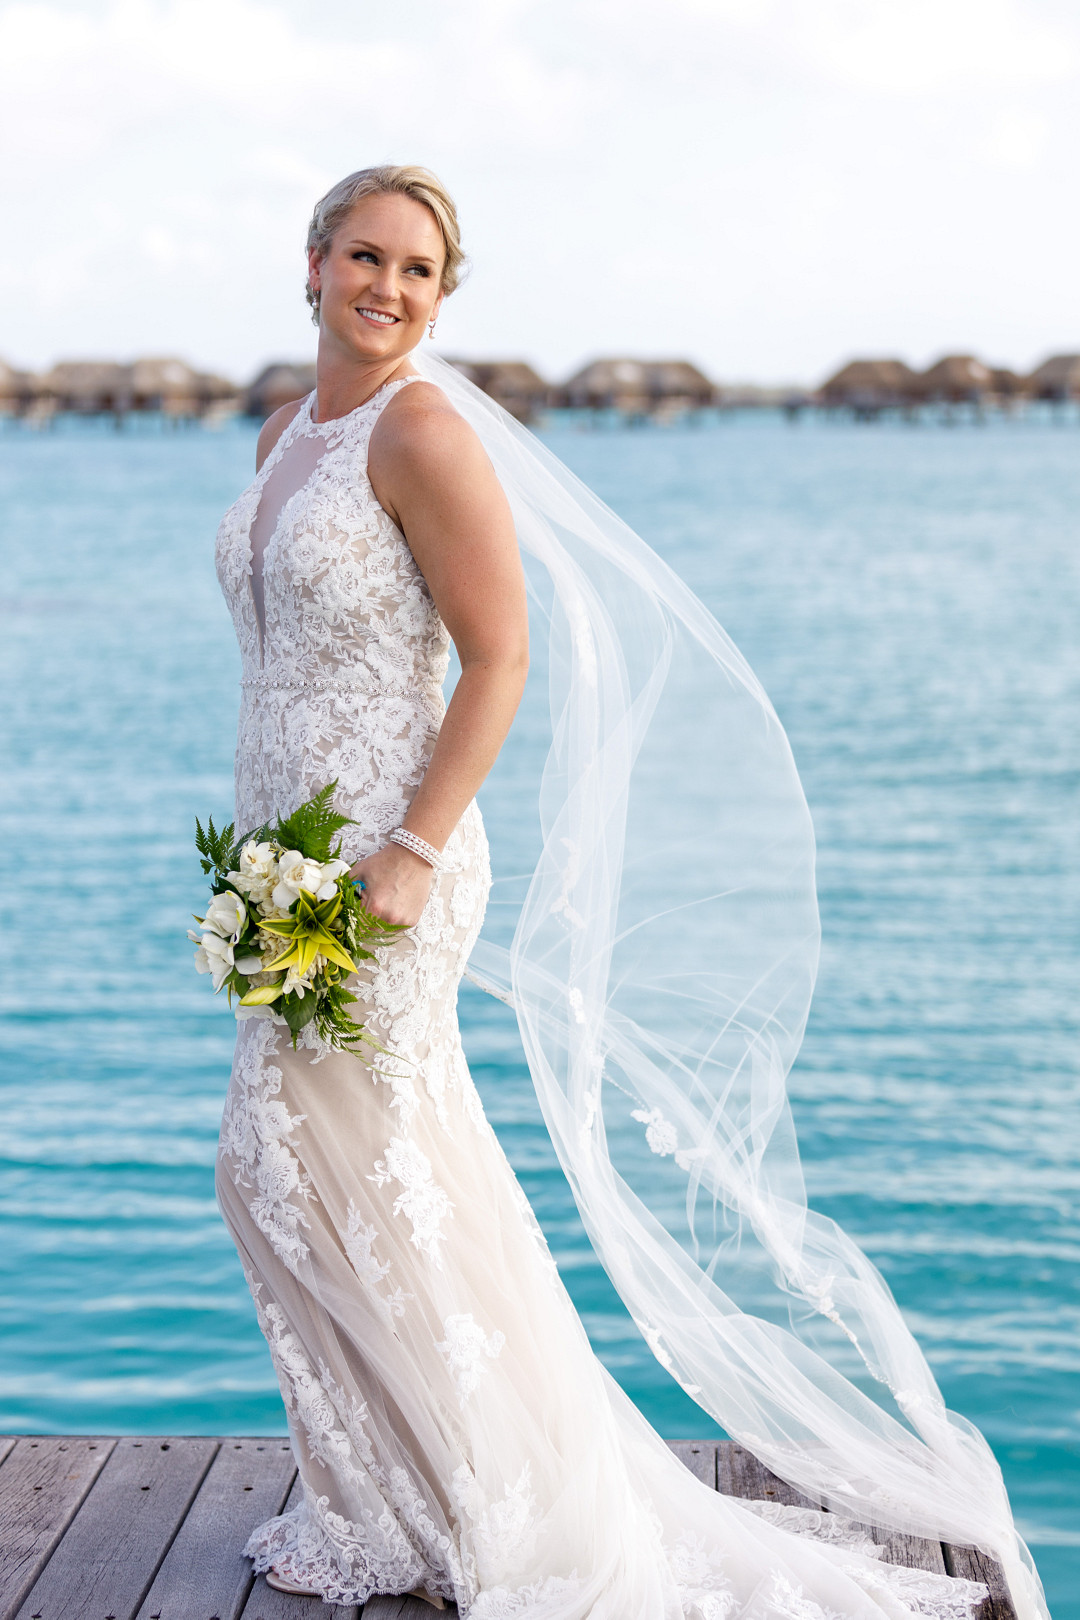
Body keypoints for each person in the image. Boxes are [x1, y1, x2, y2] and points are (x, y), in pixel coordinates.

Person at [213, 166, 1042, 1617]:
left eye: (419, 271)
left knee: (341, 1173)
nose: (388, 289)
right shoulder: (289, 431)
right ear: (310, 261)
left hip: (391, 870)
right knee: (292, 1181)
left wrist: (406, 853)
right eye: (366, 256)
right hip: (284, 867)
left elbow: (501, 655)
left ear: (442, 296)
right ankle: (385, 1503)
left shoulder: (422, 429)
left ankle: (502, 1512)